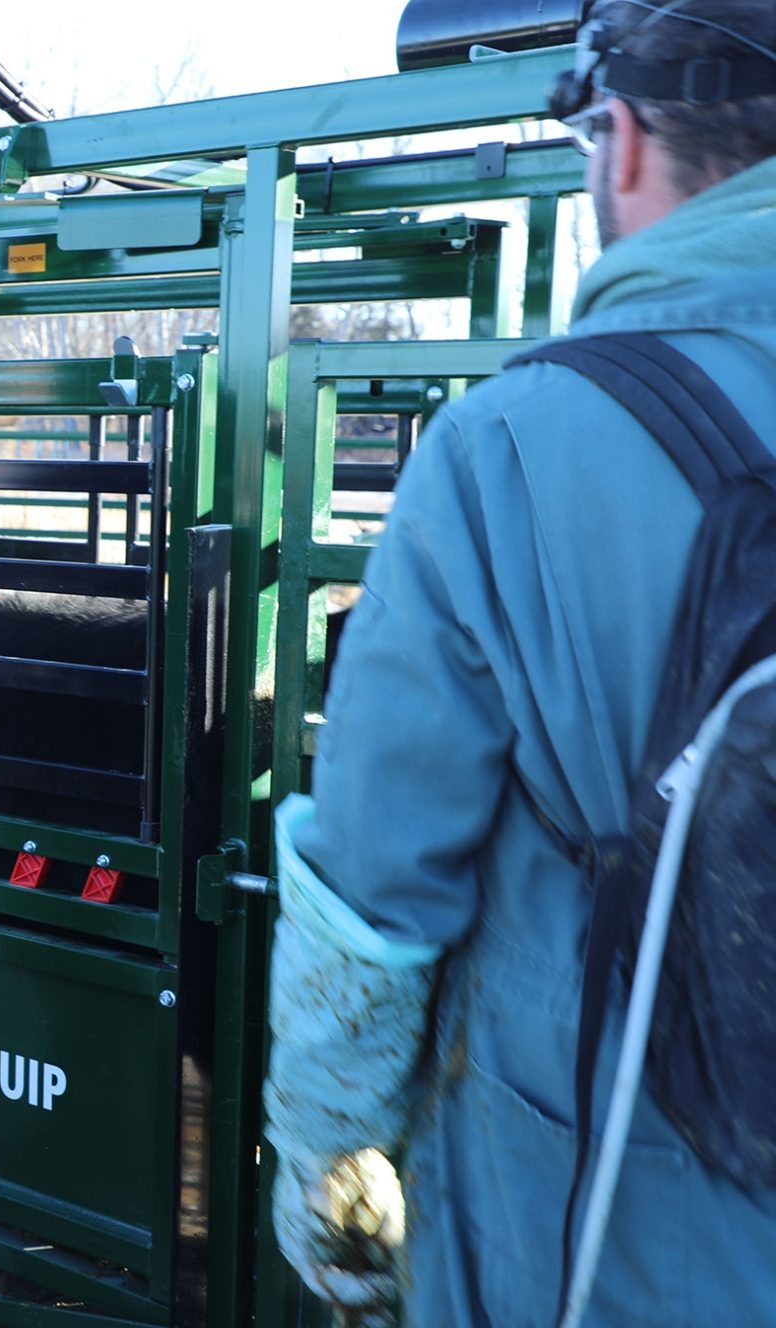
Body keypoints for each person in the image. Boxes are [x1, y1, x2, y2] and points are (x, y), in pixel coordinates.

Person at [263, 3, 776, 1324]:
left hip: (601, 1210)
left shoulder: (512, 447)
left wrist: (331, 1177)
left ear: (619, 142)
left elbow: (374, 900)